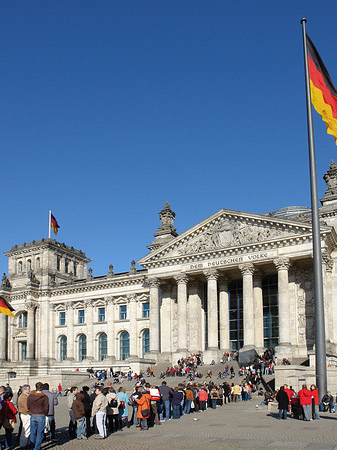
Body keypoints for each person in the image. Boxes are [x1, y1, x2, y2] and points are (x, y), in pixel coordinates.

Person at [27, 382, 49, 450]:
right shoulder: (44, 397)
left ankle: (32, 446)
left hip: (33, 415)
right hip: (41, 415)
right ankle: (36, 447)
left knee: (32, 432)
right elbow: (46, 407)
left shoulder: (30, 396)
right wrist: (45, 413)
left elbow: (28, 406)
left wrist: (31, 410)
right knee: (40, 433)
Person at [18, 384, 31, 449]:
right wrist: (31, 413)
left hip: (25, 414)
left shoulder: (24, 396)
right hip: (26, 414)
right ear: (25, 390)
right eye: (28, 389)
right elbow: (26, 408)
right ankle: (23, 444)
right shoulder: (24, 397)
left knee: (27, 429)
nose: (29, 390)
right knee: (26, 430)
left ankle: (27, 442)